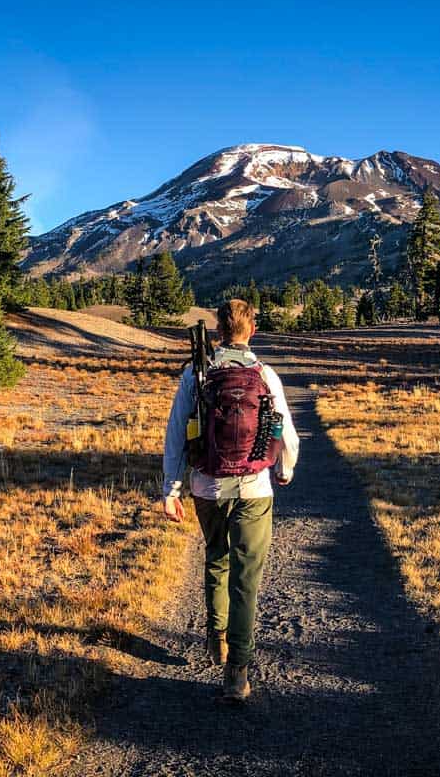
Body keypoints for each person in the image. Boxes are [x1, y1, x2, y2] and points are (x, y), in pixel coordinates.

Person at [161, 298, 300, 701]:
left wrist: (171, 489)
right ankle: (237, 672)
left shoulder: (198, 373)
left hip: (207, 485)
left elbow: (175, 435)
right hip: (255, 488)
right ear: (251, 330)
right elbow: (285, 431)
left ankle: (215, 635)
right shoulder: (264, 374)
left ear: (219, 331)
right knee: (246, 580)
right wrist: (285, 468)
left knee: (216, 558)